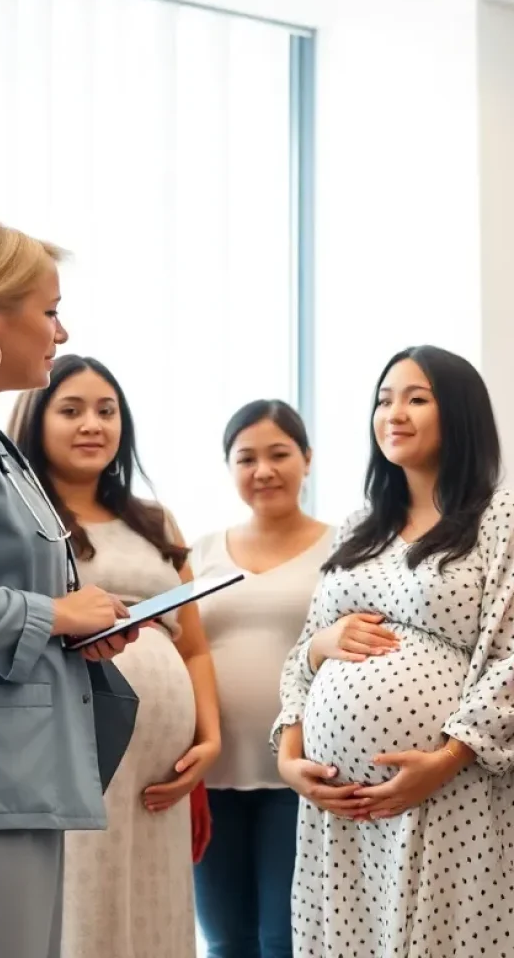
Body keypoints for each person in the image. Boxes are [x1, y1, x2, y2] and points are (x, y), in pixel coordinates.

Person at [272, 345, 514, 958]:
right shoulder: (357, 527)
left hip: (451, 791)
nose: (393, 413)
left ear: (459, 413)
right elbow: (301, 657)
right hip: (339, 810)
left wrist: (445, 759)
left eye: (416, 399)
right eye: (384, 400)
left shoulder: (505, 518)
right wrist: (291, 758)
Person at [0, 217, 133, 958]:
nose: (62, 332)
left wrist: (74, 628)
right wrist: (56, 614)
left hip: (10, 776)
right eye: (48, 311)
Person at [8, 354, 221, 958]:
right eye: (71, 410)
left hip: (161, 765)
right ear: (36, 420)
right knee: (87, 900)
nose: (92, 425)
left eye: (107, 411)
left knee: (158, 905)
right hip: (73, 745)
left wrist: (208, 738)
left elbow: (194, 646)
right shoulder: (21, 517)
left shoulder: (155, 520)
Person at [190, 400, 332, 958]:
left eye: (279, 454)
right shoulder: (200, 552)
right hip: (210, 772)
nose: (263, 470)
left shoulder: (345, 549)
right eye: (246, 458)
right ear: (229, 467)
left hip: (300, 772)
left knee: (286, 940)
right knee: (225, 941)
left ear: (307, 459)